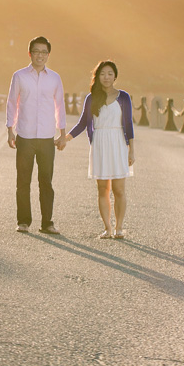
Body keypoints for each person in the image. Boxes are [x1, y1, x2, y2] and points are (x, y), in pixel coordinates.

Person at [58, 60, 134, 239]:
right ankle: (107, 228)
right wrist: (66, 138)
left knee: (119, 189)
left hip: (118, 143)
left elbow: (129, 124)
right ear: (97, 76)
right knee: (102, 189)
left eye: (109, 73)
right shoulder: (91, 98)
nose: (106, 77)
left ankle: (119, 228)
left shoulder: (123, 97)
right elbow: (83, 123)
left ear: (115, 76)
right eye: (102, 74)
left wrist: (131, 150)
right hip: (99, 143)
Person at [6, 36, 66, 234]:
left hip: (47, 137)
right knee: (23, 181)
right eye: (36, 51)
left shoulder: (55, 78)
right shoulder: (20, 76)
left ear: (48, 55)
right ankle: (23, 221)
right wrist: (10, 130)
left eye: (44, 52)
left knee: (46, 181)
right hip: (25, 135)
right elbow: (12, 103)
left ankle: (47, 223)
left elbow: (60, 105)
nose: (40, 55)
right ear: (30, 53)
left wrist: (62, 133)